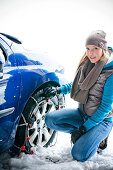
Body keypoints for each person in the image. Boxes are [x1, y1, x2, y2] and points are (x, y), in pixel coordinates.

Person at [44, 30, 113, 162]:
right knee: (50, 119)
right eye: (88, 48)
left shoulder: (110, 74)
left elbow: (105, 108)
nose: (90, 53)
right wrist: (58, 90)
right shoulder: (88, 64)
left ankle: (98, 138)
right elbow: (77, 84)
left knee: (79, 154)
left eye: (95, 48)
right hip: (82, 113)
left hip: (102, 121)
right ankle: (87, 136)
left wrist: (83, 129)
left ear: (103, 49)